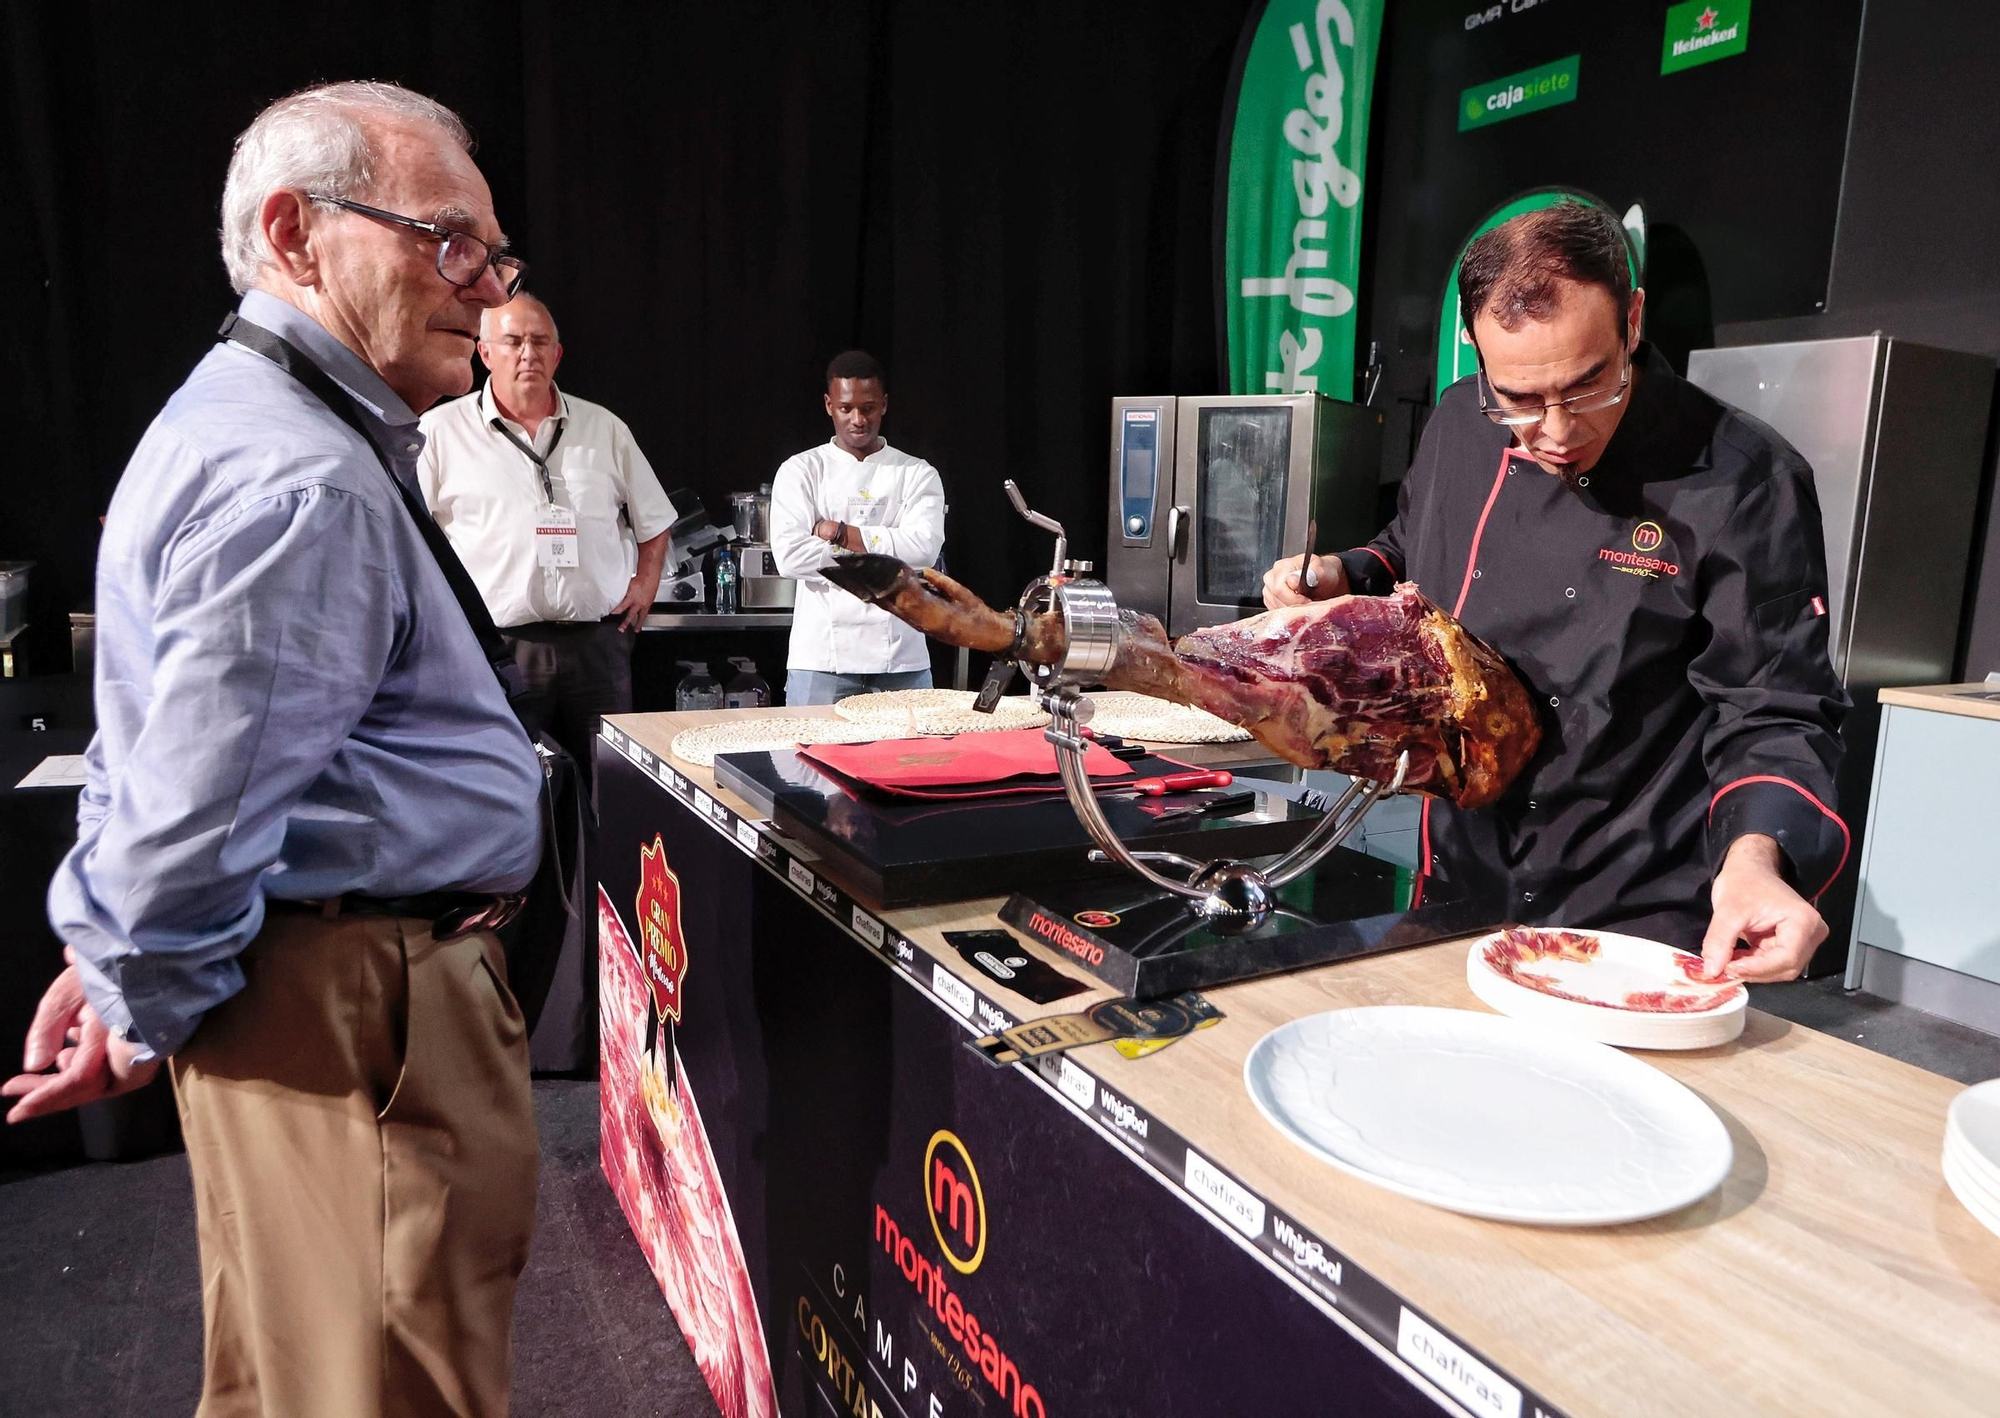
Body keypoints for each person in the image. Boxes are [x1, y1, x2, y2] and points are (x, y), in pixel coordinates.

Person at [4, 82, 544, 1417]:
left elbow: (148, 741)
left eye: (493, 253)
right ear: (298, 231)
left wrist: (107, 951)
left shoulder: (236, 419)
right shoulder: (301, 475)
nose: (481, 289)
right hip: (359, 1019)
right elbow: (190, 813)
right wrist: (132, 984)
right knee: (382, 1387)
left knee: (300, 1378)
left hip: (324, 997)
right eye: (448, 241)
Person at [1262, 200, 1849, 983]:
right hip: (1460, 882)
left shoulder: (1745, 480)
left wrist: (1755, 862)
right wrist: (1348, 570)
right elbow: (1409, 544)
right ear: (1474, 350)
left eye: (1589, 385)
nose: (1558, 430)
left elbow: (1774, 708)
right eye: (1521, 400)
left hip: (1638, 912)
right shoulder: (1458, 428)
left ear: (1633, 320)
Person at [418, 292, 676, 772]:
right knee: (504, 785)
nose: (528, 354)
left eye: (540, 342)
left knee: (611, 785)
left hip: (598, 646)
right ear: (485, 351)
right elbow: (411, 535)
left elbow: (655, 520)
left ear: (558, 354)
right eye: (513, 341)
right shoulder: (440, 433)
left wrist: (645, 584)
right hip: (496, 648)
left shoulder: (604, 428)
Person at [769, 350, 946, 705]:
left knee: (910, 759)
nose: (857, 419)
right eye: (846, 408)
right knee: (809, 759)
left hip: (902, 658)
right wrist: (887, 557)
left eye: (867, 408)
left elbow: (924, 549)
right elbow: (790, 557)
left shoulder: (916, 473)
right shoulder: (801, 470)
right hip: (821, 659)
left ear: (883, 405)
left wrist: (839, 533)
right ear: (828, 405)